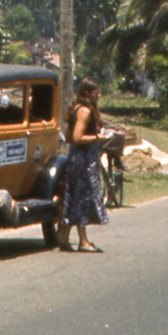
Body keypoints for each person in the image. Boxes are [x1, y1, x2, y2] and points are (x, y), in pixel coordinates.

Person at [57, 78, 108, 252]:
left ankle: (63, 237)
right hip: (83, 160)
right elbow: (77, 138)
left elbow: (68, 136)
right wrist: (98, 138)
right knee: (83, 198)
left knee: (74, 197)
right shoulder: (84, 112)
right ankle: (83, 241)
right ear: (87, 93)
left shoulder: (77, 109)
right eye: (96, 93)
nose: (99, 96)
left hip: (77, 158)